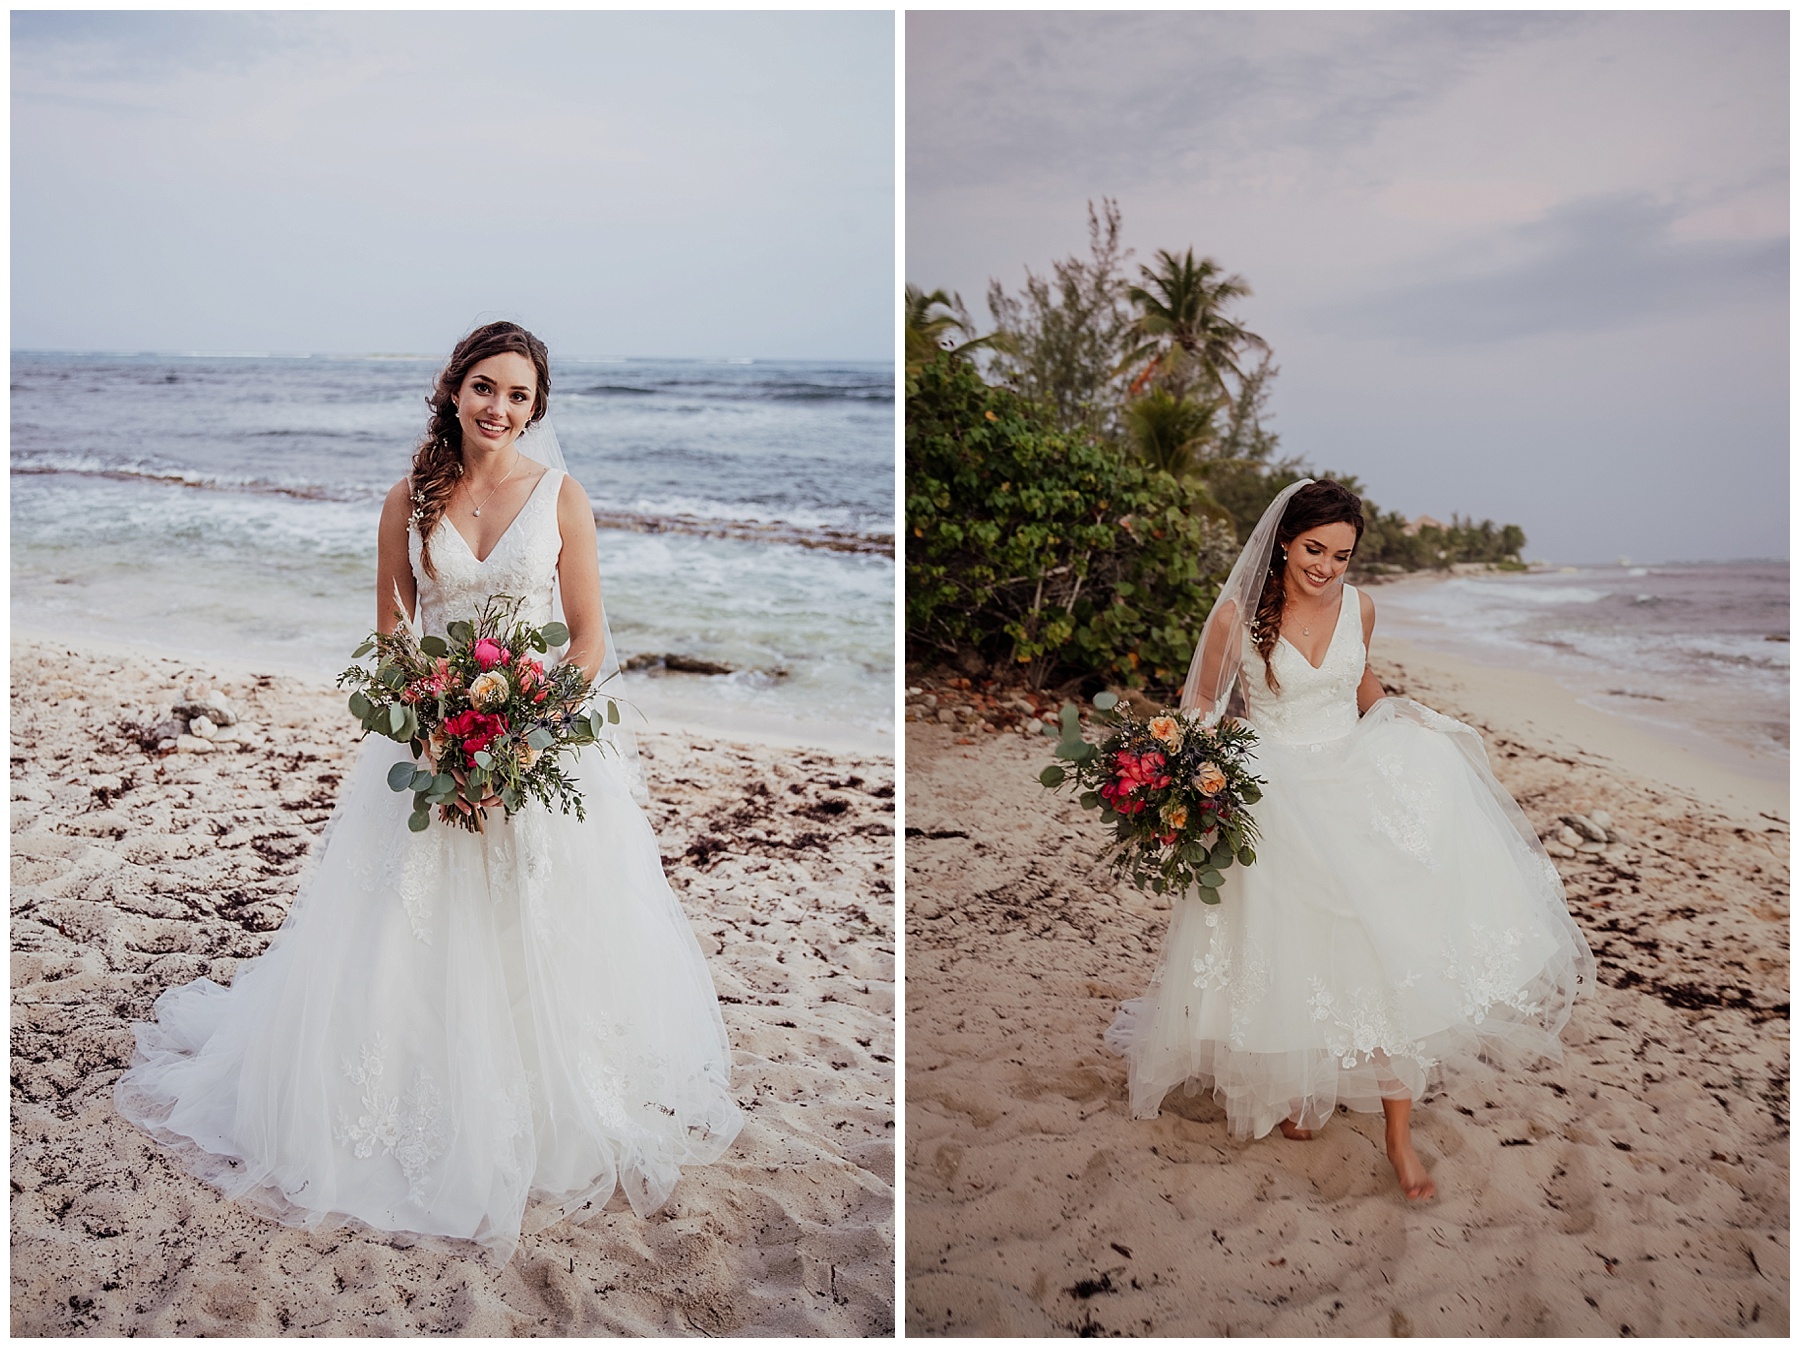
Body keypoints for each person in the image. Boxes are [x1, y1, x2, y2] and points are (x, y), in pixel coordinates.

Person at [116, 321, 743, 1257]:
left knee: (542, 920)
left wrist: (527, 732)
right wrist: (441, 726)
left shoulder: (562, 499)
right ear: (453, 390)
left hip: (538, 742)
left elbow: (589, 638)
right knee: (406, 926)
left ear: (537, 409)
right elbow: (394, 633)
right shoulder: (409, 500)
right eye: (486, 387)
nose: (501, 408)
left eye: (520, 396)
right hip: (432, 741)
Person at [1104, 479, 1593, 1200]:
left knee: (1378, 948)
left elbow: (1361, 689)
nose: (1327, 567)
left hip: (1352, 781)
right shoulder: (1239, 617)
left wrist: (1406, 724)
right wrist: (1192, 765)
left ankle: (1399, 1137)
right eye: (1314, 549)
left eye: (1341, 554)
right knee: (1298, 946)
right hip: (1275, 793)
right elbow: (1203, 705)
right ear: (1284, 543)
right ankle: (1304, 1093)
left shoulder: (1361, 605)